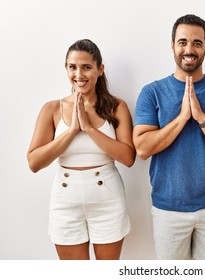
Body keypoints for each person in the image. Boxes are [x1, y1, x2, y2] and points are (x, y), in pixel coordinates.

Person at [133, 14, 205, 260]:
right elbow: (142, 148)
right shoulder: (152, 92)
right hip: (167, 209)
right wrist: (182, 118)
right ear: (172, 45)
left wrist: (201, 116)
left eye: (197, 42)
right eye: (182, 42)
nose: (189, 49)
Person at [27, 39, 136, 260]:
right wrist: (72, 130)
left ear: (100, 69)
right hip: (65, 202)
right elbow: (34, 162)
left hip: (108, 199)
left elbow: (128, 157)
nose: (79, 74)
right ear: (66, 69)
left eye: (86, 67)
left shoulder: (117, 107)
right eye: (72, 67)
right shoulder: (52, 109)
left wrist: (88, 128)